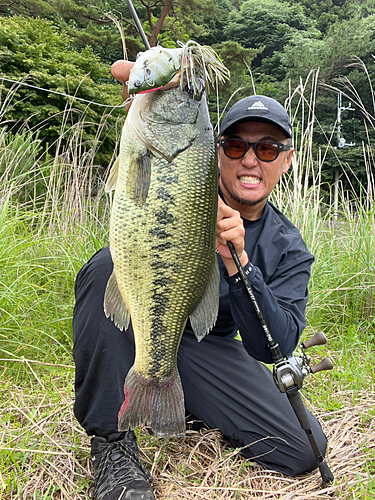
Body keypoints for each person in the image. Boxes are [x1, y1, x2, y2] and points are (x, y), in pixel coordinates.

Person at [72, 60, 328, 500]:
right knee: (103, 268)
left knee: (303, 448)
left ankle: (178, 396)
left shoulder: (289, 247)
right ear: (214, 150)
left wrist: (239, 264)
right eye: (234, 147)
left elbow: (276, 345)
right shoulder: (175, 172)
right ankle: (113, 447)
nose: (249, 160)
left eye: (266, 149)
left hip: (204, 348)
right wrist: (150, 85)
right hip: (141, 324)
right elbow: (130, 87)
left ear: (286, 160)